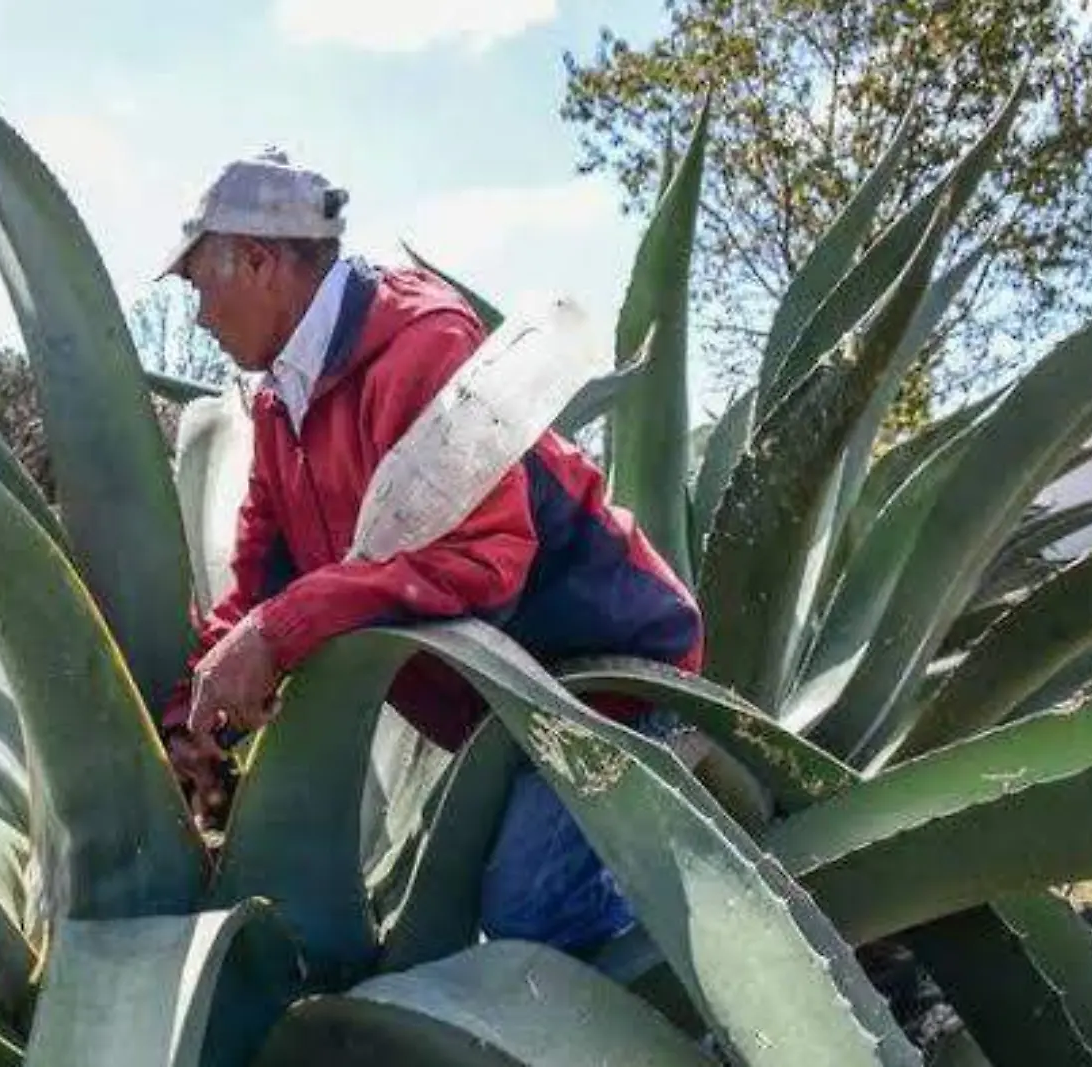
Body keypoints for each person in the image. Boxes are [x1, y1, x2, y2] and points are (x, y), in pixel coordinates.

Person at [156, 148, 708, 960]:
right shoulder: (282, 407)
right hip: (506, 710)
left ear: (263, 261)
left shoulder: (423, 346)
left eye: (203, 283)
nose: (200, 312)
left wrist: (278, 635)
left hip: (603, 679)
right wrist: (190, 725)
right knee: (480, 909)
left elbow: (485, 561)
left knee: (531, 911)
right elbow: (257, 590)